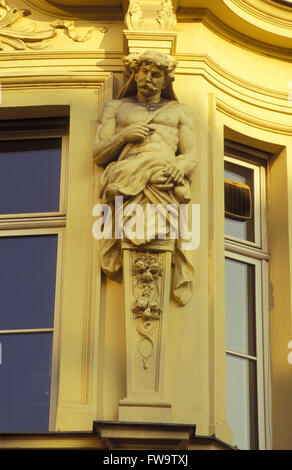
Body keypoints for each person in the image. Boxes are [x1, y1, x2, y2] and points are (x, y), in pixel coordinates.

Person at [93, 50, 198, 305]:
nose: (147, 78)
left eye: (155, 74)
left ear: (165, 81)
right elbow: (98, 154)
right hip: (127, 174)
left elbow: (192, 155)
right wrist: (123, 136)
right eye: (143, 72)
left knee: (163, 235)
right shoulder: (117, 108)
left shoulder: (179, 111)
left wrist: (179, 168)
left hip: (163, 176)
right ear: (134, 74)